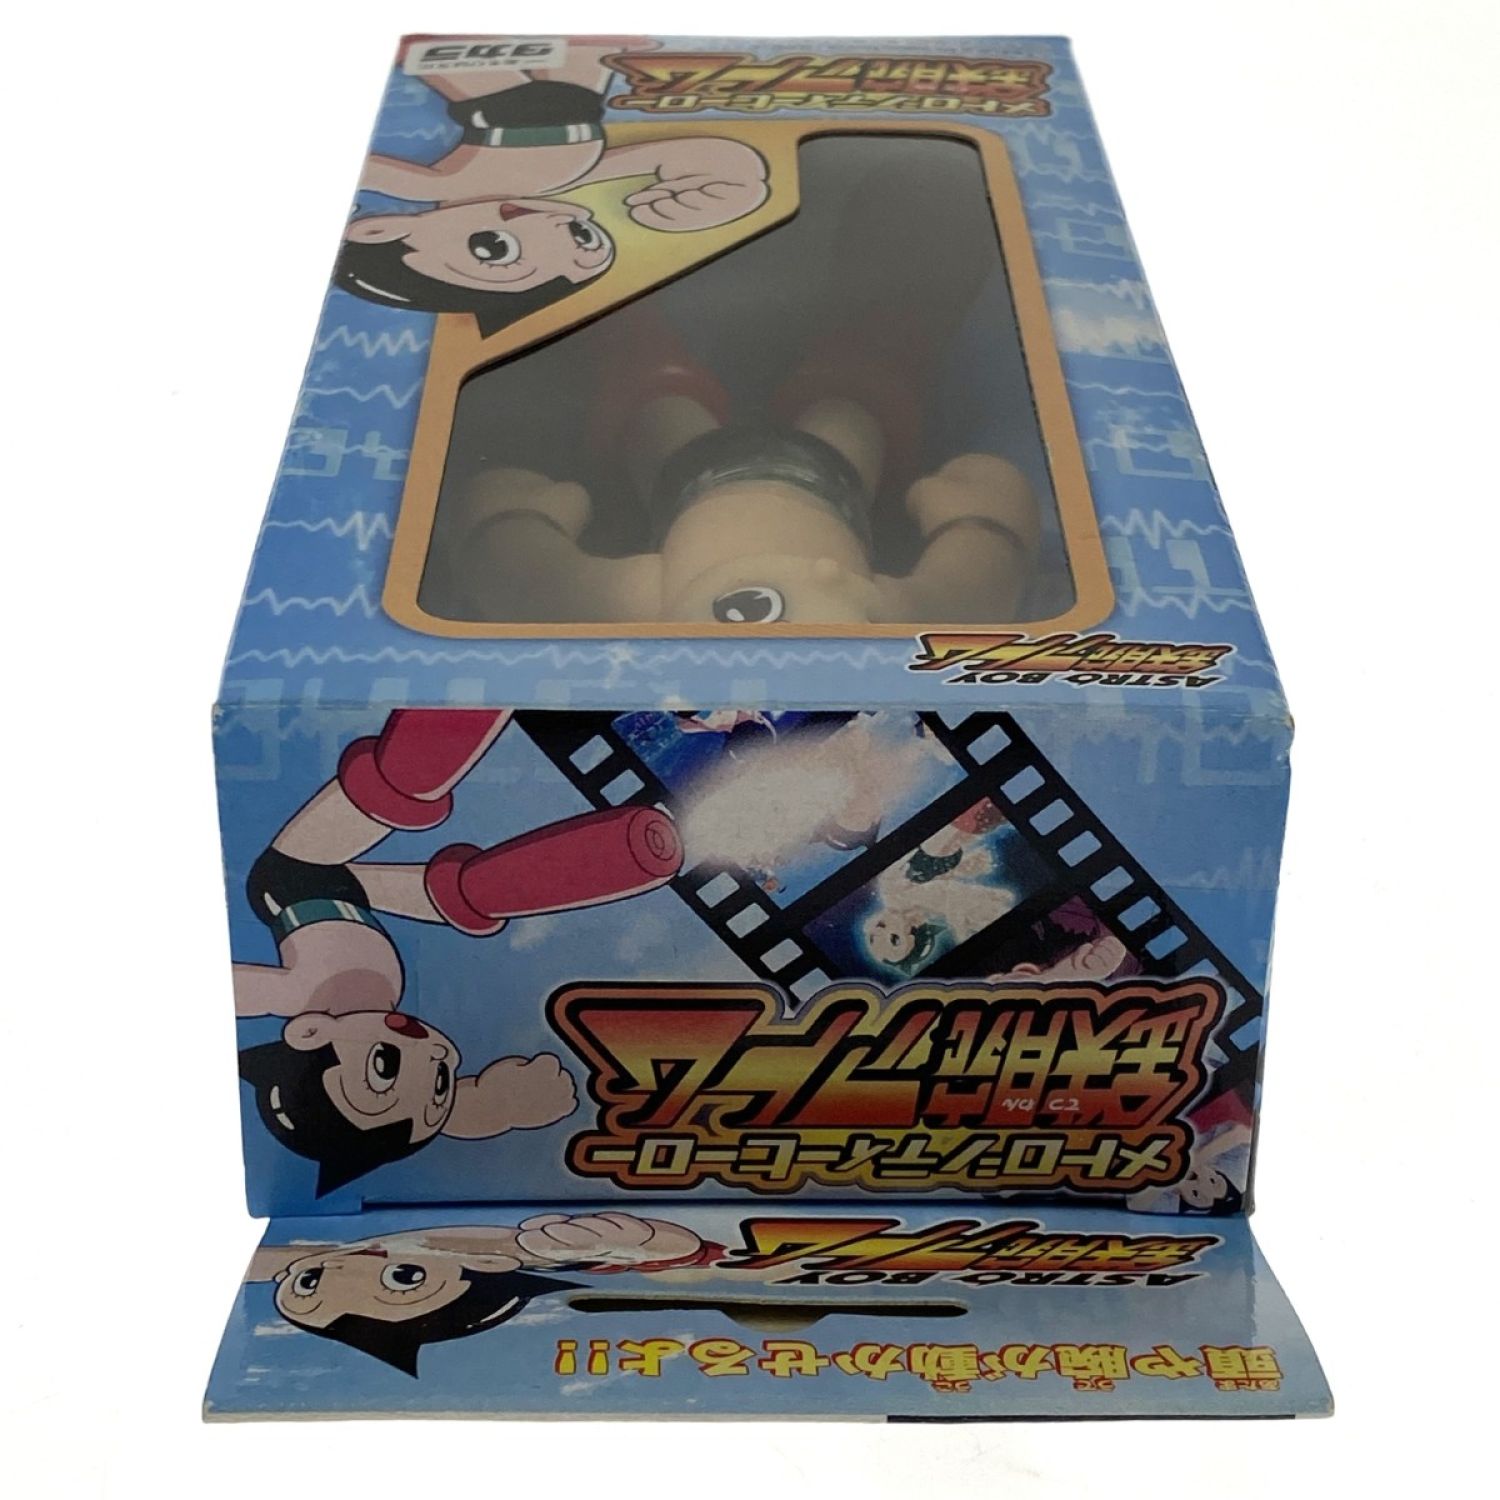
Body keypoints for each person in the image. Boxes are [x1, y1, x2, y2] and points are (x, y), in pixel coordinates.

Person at [235, 706, 683, 1195]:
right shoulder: (373, 1022)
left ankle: (449, 723)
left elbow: (235, 991)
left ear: (309, 1033)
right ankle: (629, 851)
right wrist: (506, 1104)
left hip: (292, 879)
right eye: (438, 1081)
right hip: (355, 897)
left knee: (387, 795)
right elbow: (455, 1114)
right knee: (474, 894)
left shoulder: (300, 994)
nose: (431, 1052)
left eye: (385, 1065)